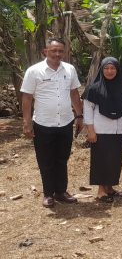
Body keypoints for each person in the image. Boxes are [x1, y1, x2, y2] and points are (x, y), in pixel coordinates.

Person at [20, 38, 83, 208]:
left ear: (65, 52)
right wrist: (27, 122)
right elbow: (26, 98)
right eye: (53, 50)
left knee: (62, 159)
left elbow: (74, 93)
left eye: (60, 51)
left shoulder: (69, 70)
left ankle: (61, 191)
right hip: (43, 123)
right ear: (45, 51)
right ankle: (48, 194)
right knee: (46, 160)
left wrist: (79, 115)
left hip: (65, 122)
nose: (57, 54)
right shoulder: (34, 71)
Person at [82, 57, 122, 203]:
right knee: (101, 159)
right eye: (106, 68)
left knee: (115, 160)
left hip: (118, 129)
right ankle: (101, 191)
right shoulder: (94, 88)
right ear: (102, 70)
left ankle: (109, 188)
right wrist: (90, 130)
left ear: (117, 70)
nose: (110, 71)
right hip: (100, 129)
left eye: (113, 68)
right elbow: (88, 110)